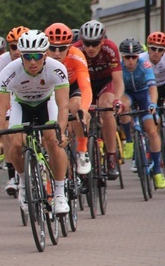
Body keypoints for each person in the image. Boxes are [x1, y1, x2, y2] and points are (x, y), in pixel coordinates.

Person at [0, 29, 70, 215]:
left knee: (52, 140)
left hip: (47, 102)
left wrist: (62, 131)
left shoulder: (57, 69)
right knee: (16, 143)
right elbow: (1, 110)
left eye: (37, 56)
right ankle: (23, 183)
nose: (33, 61)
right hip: (20, 104)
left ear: (45, 55)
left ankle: (59, 193)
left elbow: (63, 106)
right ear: (21, 56)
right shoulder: (9, 72)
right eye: (28, 57)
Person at [72, 20, 122, 179]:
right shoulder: (76, 49)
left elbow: (118, 80)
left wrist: (117, 100)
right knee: (77, 111)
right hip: (84, 83)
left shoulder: (110, 48)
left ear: (102, 41)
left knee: (106, 108)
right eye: (87, 43)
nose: (90, 48)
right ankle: (82, 154)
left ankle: (111, 156)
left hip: (105, 82)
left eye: (95, 43)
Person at [44, 22, 92, 174]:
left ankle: (82, 151)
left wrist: (84, 109)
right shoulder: (40, 58)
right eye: (52, 48)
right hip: (50, 90)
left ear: (70, 47)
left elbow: (85, 87)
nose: (57, 53)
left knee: (76, 107)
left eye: (62, 48)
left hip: (72, 87)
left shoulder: (76, 55)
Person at [117, 39, 164, 189]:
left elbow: (153, 88)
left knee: (151, 131)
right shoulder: (118, 66)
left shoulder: (145, 64)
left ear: (138, 56)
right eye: (127, 57)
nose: (130, 61)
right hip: (128, 93)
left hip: (144, 94)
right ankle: (129, 140)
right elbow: (116, 87)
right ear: (122, 57)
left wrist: (152, 104)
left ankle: (157, 171)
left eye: (134, 57)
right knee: (123, 106)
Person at [0, 27, 29, 195]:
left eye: (21, 46)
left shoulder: (36, 58)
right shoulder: (1, 61)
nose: (17, 51)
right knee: (5, 125)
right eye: (13, 47)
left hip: (32, 94)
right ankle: (13, 174)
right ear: (8, 48)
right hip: (11, 95)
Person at [145, 31, 165, 106]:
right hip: (147, 87)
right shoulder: (141, 59)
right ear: (148, 48)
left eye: (160, 50)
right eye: (153, 48)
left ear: (163, 51)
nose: (156, 52)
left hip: (162, 85)